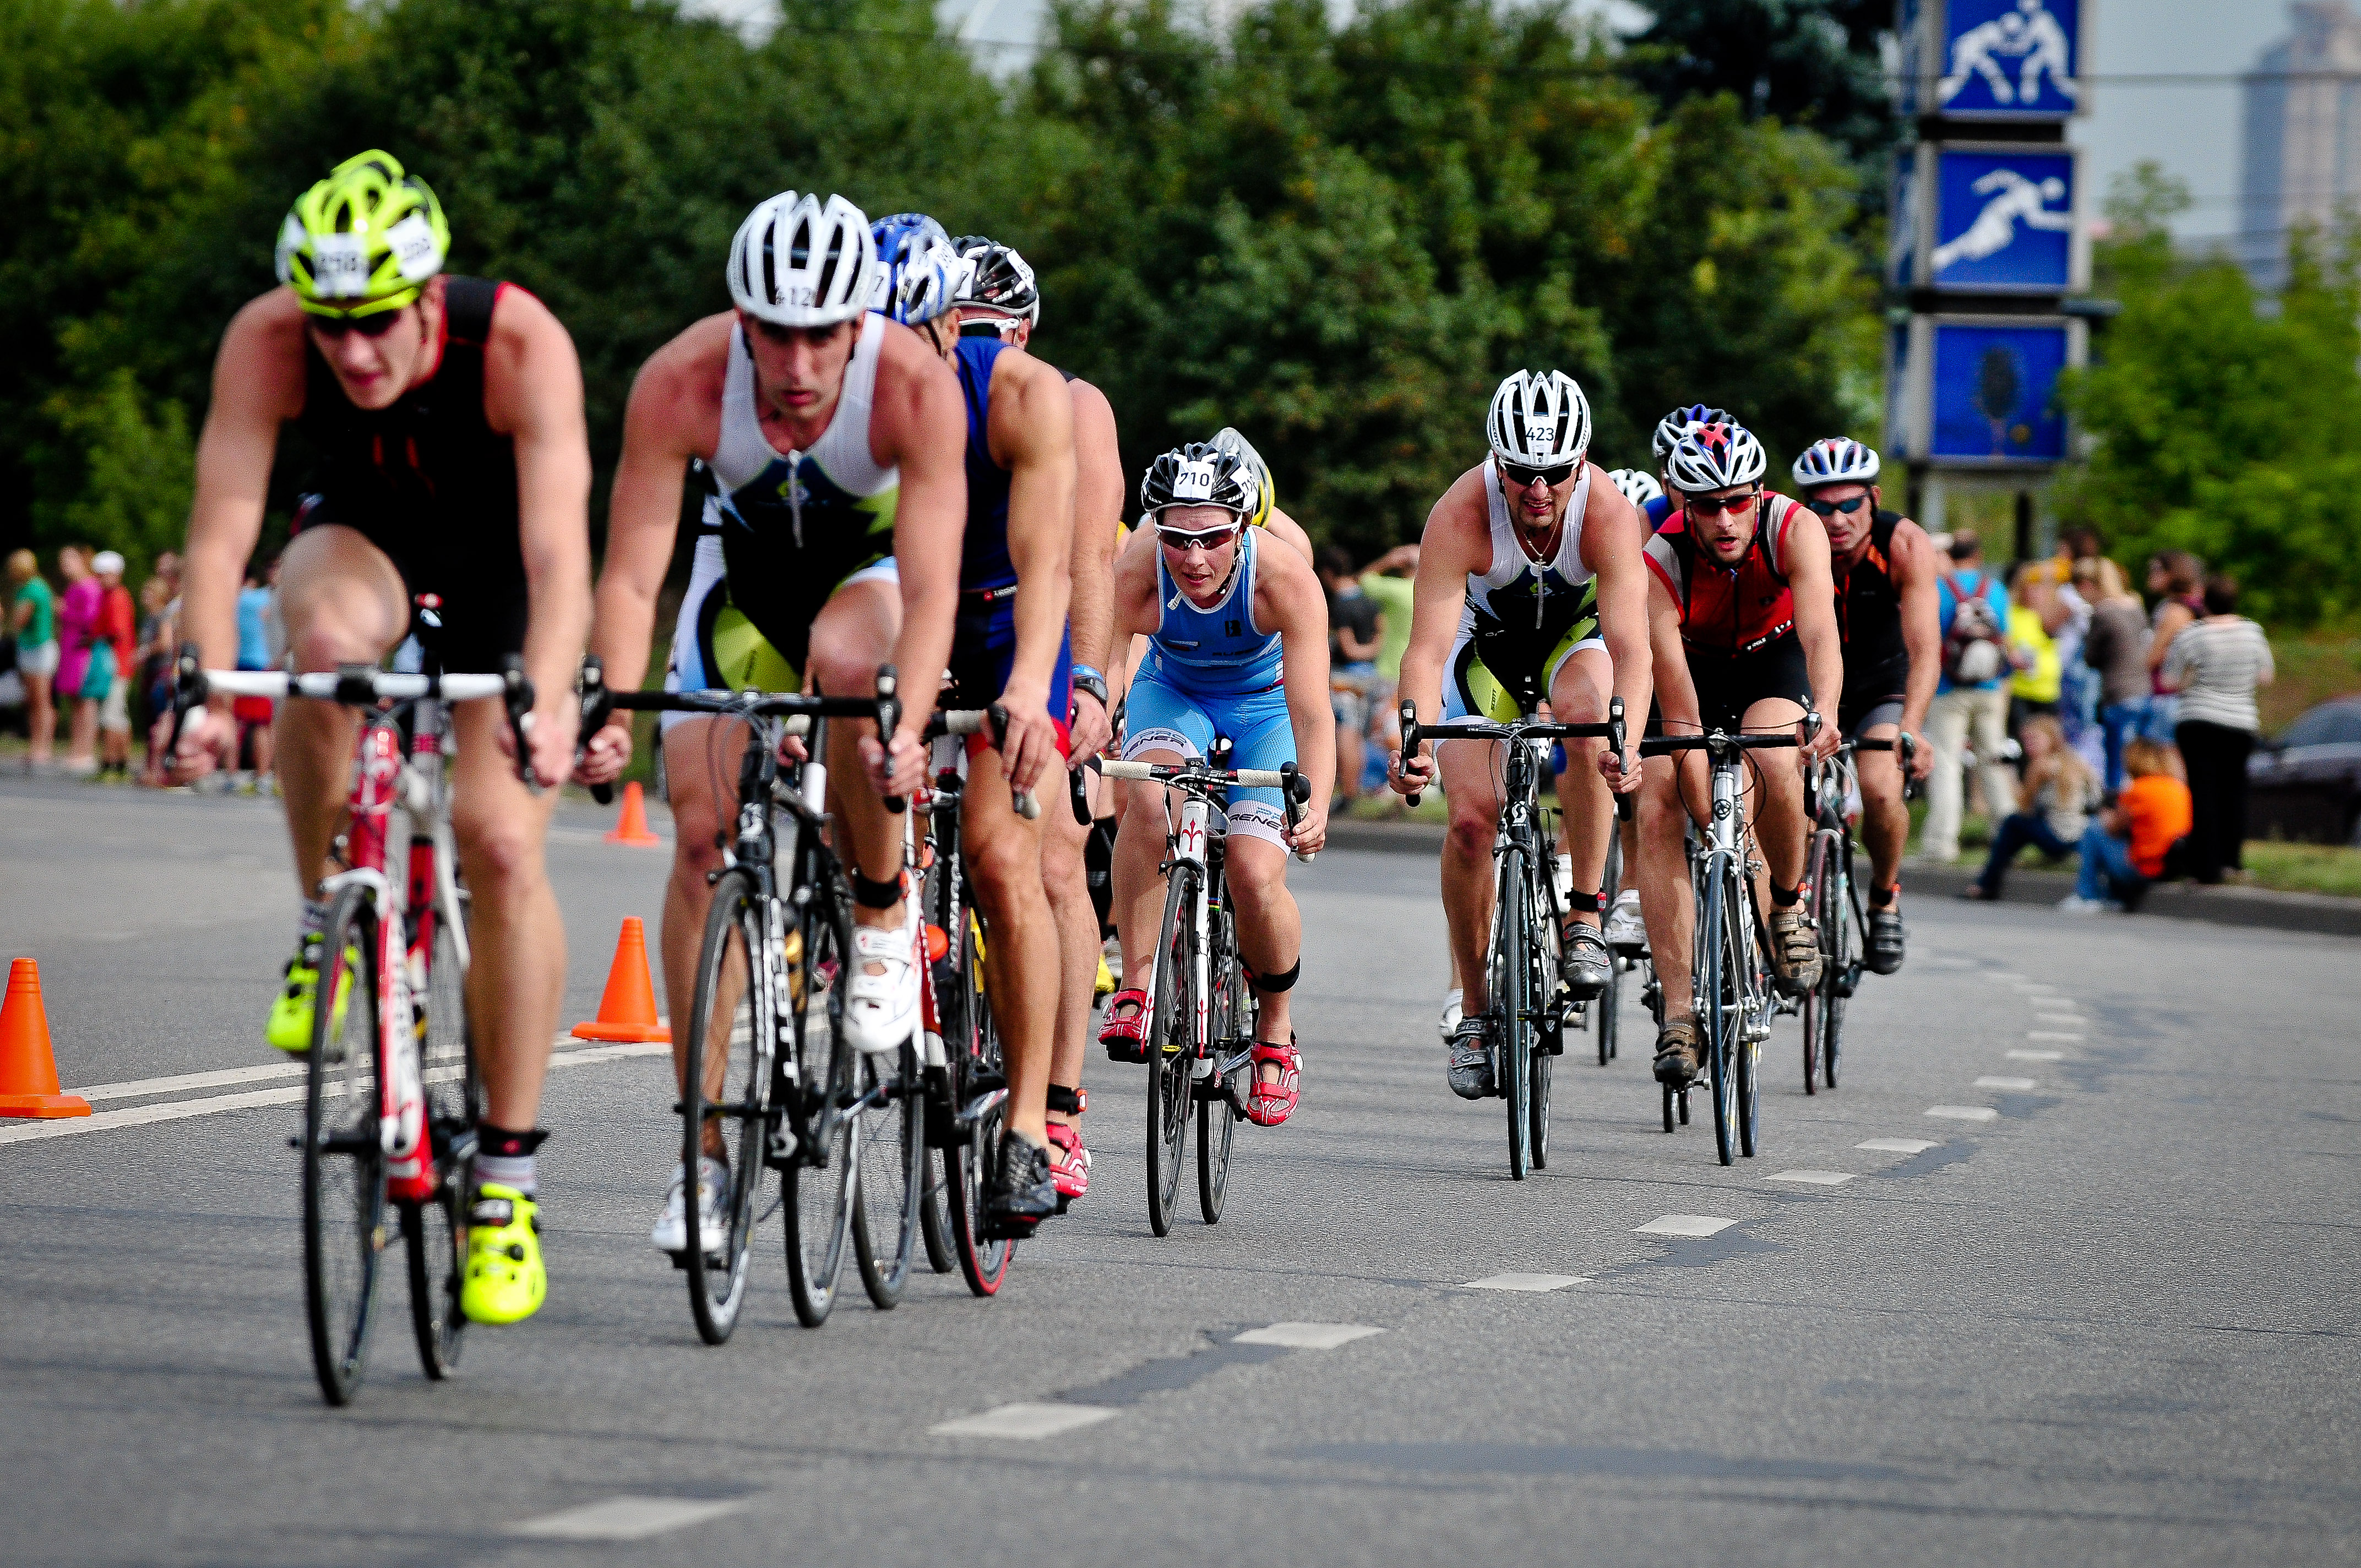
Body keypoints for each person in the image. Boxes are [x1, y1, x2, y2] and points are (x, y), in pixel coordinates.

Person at [174, 150, 594, 1326]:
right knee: (317, 650)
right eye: (329, 326)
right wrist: (199, 683)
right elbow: (219, 533)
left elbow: (563, 553)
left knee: (499, 840)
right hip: (362, 540)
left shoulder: (518, 345)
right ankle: (328, 919)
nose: (351, 353)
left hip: (503, 568)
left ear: (429, 295)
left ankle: (505, 1181)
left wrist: (548, 697)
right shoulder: (265, 340)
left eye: (374, 324)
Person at [576, 193, 972, 1257]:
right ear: (739, 319)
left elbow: (933, 591)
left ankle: (883, 910)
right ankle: (703, 1162)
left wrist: (910, 714)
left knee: (853, 666)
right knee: (701, 836)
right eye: (773, 332)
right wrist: (607, 704)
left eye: (822, 334)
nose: (796, 363)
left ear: (860, 323)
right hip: (740, 584)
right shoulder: (681, 380)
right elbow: (632, 570)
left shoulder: (911, 387)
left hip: (867, 577)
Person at [1389, 370, 1652, 1101]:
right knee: (1472, 822)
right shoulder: (1461, 514)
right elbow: (1425, 651)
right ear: (1496, 463)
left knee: (1593, 720)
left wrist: (1626, 738)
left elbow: (1633, 649)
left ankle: (1585, 916)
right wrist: (1411, 740)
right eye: (1521, 473)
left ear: (1582, 462)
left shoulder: (1607, 514)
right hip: (1487, 651)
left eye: (1556, 473)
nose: (1539, 491)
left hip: (1575, 641)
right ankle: (1474, 1010)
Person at [949, 232, 1124, 1211]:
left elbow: (1088, 558)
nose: (977, 350)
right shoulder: (912, 385)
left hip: (1040, 623)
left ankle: (1053, 1104)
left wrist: (1089, 687)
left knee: (1054, 854)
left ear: (1024, 333)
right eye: (958, 329)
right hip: (939, 611)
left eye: (993, 331)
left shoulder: (1069, 405)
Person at [1100, 443, 1332, 1125]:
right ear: (1156, 531)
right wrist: (1086, 736)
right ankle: (1137, 987)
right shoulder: (1138, 567)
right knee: (1146, 797)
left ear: (1243, 527)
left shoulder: (1284, 579)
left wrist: (1313, 800)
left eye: (1211, 539)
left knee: (1255, 872)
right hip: (1173, 691)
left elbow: (1314, 712)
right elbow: (1107, 665)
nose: (1193, 559)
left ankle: (1274, 1033)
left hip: (1266, 708)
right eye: (1176, 538)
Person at [1633, 420, 1841, 1088]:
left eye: (1737, 501)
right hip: (1694, 672)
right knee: (1658, 802)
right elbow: (1684, 713)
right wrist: (1716, 823)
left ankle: (1785, 905)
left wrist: (1827, 712)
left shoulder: (1794, 528)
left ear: (1757, 493)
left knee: (1778, 762)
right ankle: (1678, 1014)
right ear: (1680, 502)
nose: (1725, 519)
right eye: (1705, 505)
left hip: (1770, 661)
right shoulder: (1658, 561)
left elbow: (1819, 635)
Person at [1789, 438, 1937, 973]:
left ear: (1873, 499)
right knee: (1791, 791)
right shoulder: (1792, 541)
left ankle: (1883, 894)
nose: (1837, 519)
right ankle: (1793, 903)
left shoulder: (1904, 544)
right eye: (1823, 507)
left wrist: (1913, 729)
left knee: (1878, 785)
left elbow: (1924, 650)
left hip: (1880, 681)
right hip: (1809, 681)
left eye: (1849, 504)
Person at [2162, 574, 2273, 885]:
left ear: (2205, 602)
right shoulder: (2253, 633)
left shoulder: (2193, 635)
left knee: (2204, 793)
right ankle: (2232, 861)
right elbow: (2265, 676)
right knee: (2234, 791)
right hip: (2241, 720)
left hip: (2199, 719)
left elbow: (2170, 680)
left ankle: (2207, 868)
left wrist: (2194, 680)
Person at [1921, 529, 2017, 863]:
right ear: (1977, 555)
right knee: (1994, 758)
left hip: (1948, 688)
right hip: (1989, 688)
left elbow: (1929, 635)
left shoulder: (1939, 588)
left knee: (1947, 761)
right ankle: (2007, 833)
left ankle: (1942, 842)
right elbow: (2004, 635)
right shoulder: (1995, 588)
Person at [1960, 714, 2098, 899]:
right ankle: (2000, 868)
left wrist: (2010, 774)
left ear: (2052, 739)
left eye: (2035, 739)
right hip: (2082, 837)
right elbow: (2096, 798)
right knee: (2019, 825)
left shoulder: (2040, 766)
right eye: (2026, 740)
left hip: (2058, 838)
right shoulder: (2077, 761)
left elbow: (2023, 805)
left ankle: (1987, 884)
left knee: (2013, 822)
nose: (2029, 745)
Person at [2061, 738, 2190, 913]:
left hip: (2145, 869)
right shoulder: (2180, 789)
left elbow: (2113, 828)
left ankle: (2087, 895)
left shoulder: (2138, 789)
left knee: (2093, 828)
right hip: (2174, 865)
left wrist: (2106, 815)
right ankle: (2113, 896)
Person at [1321, 547, 1383, 810]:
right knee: (1359, 735)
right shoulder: (1369, 601)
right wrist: (1368, 653)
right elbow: (1381, 632)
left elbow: (1347, 647)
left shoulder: (1340, 605)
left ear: (1328, 573)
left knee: (1345, 733)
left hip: (1346, 678)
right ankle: (1355, 788)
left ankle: (1348, 792)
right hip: (1370, 675)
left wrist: (1355, 653)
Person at [2078, 556, 2146, 789]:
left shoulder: (2103, 612)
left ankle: (2117, 814)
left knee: (2117, 765)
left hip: (2118, 692)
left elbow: (2090, 658)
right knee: (2137, 760)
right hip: (2143, 690)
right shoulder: (2135, 606)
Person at [1358, 542, 1418, 794]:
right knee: (1407, 727)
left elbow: (1364, 580)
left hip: (1390, 669)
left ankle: (1402, 776)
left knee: (1383, 727)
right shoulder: (1429, 592)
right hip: (1418, 670)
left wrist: (1389, 559)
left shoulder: (1398, 590)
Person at [2141, 549, 2204, 741]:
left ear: (2173, 574)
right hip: (2180, 696)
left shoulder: (2175, 611)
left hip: (2169, 696)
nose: (2151, 575)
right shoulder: (2190, 605)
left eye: (2157, 570)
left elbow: (2154, 656)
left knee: (2163, 759)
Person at [54, 544, 105, 775]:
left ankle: (86, 750)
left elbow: (91, 619)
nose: (65, 567)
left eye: (69, 561)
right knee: (75, 701)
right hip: (69, 647)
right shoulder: (74, 587)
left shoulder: (90, 587)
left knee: (86, 700)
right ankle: (76, 748)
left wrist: (64, 611)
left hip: (83, 649)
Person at [7, 549, 59, 771]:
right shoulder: (36, 586)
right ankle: (36, 745)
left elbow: (19, 620)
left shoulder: (33, 589)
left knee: (41, 702)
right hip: (30, 648)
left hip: (39, 649)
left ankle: (43, 748)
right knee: (33, 702)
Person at [89, 552, 138, 779]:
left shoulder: (116, 597)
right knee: (117, 714)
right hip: (117, 663)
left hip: (116, 664)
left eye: (102, 575)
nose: (99, 579)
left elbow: (117, 632)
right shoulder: (111, 595)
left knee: (112, 715)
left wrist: (94, 639)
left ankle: (113, 763)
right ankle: (118, 762)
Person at [2005, 557, 2064, 738]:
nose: (2034, 592)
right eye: (2029, 587)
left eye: (2039, 587)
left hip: (2048, 690)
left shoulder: (2053, 614)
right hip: (2021, 690)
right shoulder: (2011, 612)